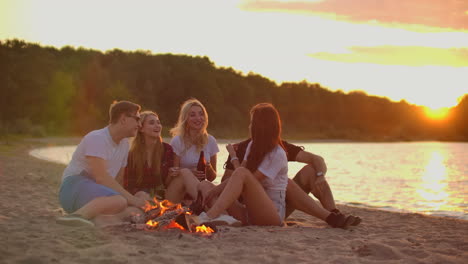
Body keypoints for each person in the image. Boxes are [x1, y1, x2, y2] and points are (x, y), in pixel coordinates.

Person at [221, 138, 361, 228]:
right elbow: (226, 183)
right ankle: (331, 218)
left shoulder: (280, 147)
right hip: (255, 206)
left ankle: (334, 214)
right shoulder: (242, 149)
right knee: (286, 183)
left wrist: (320, 176)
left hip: (279, 201)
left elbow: (316, 159)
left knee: (311, 171)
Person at [193, 103, 291, 226]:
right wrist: (215, 190)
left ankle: (209, 216)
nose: (249, 126)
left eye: (252, 123)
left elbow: (246, 178)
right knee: (205, 185)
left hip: (271, 215)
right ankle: (226, 219)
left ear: (260, 126)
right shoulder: (252, 146)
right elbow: (238, 176)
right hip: (249, 212)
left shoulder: (277, 153)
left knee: (240, 173)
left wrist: (233, 157)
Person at [57, 101, 147, 227]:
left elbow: (117, 180)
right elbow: (101, 177)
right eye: (137, 119)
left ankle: (96, 219)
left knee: (134, 208)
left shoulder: (124, 144)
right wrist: (131, 200)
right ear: (123, 119)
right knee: (120, 201)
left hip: (97, 193)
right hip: (73, 187)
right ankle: (77, 216)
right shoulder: (97, 138)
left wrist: (134, 201)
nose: (139, 124)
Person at [121, 111, 199, 203]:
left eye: (158, 122)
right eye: (151, 123)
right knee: (140, 194)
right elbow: (128, 186)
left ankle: (204, 204)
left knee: (184, 172)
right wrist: (146, 196)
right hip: (143, 198)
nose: (157, 126)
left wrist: (170, 175)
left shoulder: (167, 149)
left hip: (165, 196)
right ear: (141, 128)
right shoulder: (132, 155)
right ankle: (156, 211)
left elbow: (166, 184)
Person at [168, 98, 219, 203]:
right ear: (185, 118)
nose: (198, 118)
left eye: (201, 114)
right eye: (192, 115)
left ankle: (218, 211)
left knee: (206, 185)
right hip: (179, 191)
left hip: (199, 188)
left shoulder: (211, 141)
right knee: (185, 172)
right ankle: (212, 208)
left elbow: (212, 177)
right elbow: (174, 173)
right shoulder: (177, 141)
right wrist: (191, 174)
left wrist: (208, 167)